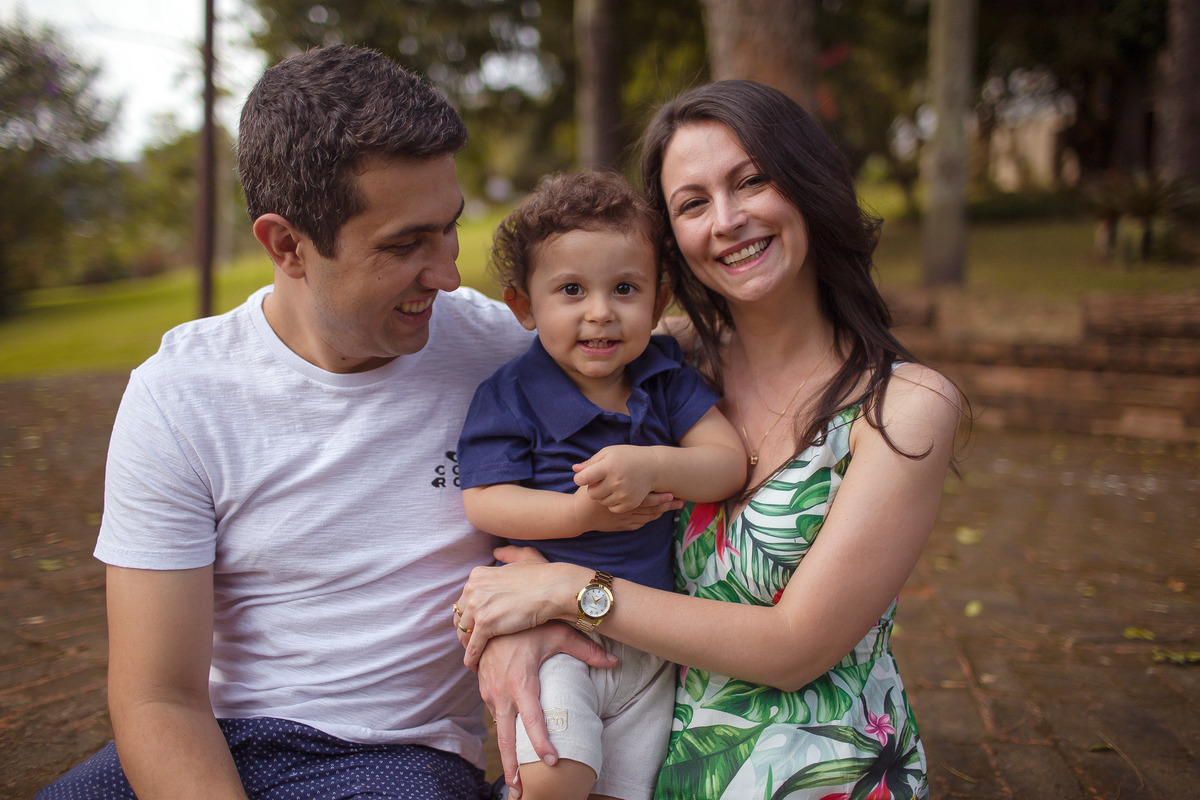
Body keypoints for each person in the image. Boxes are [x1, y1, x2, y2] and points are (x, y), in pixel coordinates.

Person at [36, 44, 617, 800]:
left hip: (392, 760)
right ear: (287, 245)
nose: (447, 273)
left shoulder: (505, 355)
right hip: (215, 737)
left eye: (449, 228)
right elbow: (158, 698)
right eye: (406, 245)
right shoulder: (179, 398)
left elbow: (663, 359)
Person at [454, 80, 965, 800]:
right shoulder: (657, 361)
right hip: (634, 729)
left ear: (808, 186)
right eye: (693, 203)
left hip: (809, 766)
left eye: (751, 181)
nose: (726, 220)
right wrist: (516, 627)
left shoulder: (902, 407)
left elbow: (793, 650)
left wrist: (569, 593)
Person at [456, 170, 746, 800]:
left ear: (658, 297)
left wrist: (657, 465)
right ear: (524, 306)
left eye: (624, 289)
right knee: (553, 775)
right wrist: (579, 515)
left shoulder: (664, 377)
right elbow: (485, 499)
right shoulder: (512, 395)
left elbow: (728, 463)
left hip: (651, 638)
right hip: (552, 631)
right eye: (570, 290)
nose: (600, 313)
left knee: (627, 788)